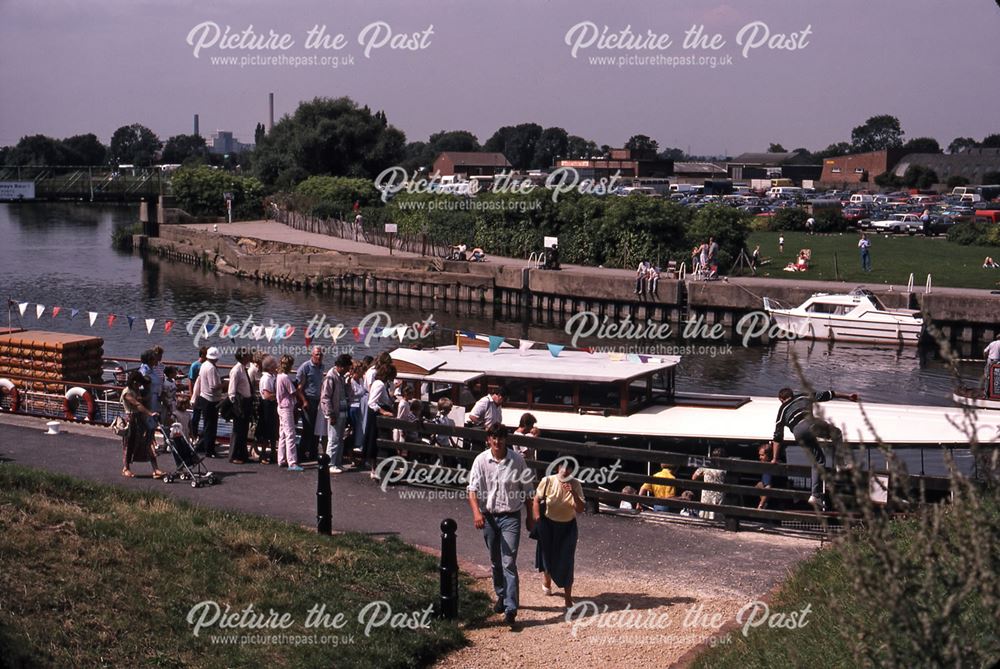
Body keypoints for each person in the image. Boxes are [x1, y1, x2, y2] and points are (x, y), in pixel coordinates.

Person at [467, 423, 536, 627]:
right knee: (495, 561)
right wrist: (476, 513)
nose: (497, 442)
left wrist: (530, 517)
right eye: (493, 438)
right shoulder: (481, 460)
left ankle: (511, 608)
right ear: (489, 439)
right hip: (489, 516)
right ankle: (501, 594)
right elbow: (472, 490)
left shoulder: (517, 460)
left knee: (508, 561)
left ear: (506, 439)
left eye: (500, 438)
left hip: (510, 516)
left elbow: (528, 490)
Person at [773, 387, 859, 509]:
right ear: (792, 395)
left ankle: (815, 495)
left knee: (818, 461)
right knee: (837, 433)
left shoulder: (781, 411)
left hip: (798, 432)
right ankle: (840, 464)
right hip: (810, 422)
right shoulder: (803, 396)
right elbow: (829, 394)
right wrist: (848, 396)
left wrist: (774, 458)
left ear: (781, 399)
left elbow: (777, 437)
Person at [533, 459, 585, 609]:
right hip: (548, 525)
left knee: (567, 561)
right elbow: (536, 500)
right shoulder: (547, 481)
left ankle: (568, 598)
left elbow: (580, 509)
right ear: (557, 467)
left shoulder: (576, 484)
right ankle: (547, 579)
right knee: (547, 557)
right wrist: (537, 519)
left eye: (569, 468)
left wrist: (573, 492)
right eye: (563, 467)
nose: (566, 471)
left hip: (568, 527)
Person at [120, 370, 165, 479]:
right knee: (129, 445)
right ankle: (126, 468)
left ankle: (155, 469)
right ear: (134, 382)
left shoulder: (136, 390)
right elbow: (137, 404)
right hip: (131, 420)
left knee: (148, 443)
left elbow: (141, 402)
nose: (139, 385)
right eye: (138, 383)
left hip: (140, 419)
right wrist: (150, 413)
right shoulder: (127, 392)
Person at [320, 353, 352, 474]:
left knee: (340, 439)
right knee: (333, 439)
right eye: (348, 367)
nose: (349, 370)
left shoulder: (342, 377)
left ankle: (338, 462)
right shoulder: (331, 377)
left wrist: (348, 384)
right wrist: (330, 413)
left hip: (342, 411)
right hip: (335, 413)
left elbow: (347, 394)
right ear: (342, 366)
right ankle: (330, 463)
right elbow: (326, 397)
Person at [363, 363, 397, 478]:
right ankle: (374, 469)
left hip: (379, 414)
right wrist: (383, 411)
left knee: (380, 442)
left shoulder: (384, 384)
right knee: (375, 440)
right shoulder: (379, 385)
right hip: (375, 416)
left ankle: (379, 468)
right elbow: (372, 403)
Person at [296, 346, 326, 463]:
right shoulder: (305, 367)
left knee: (316, 428)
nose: (319, 357)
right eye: (317, 354)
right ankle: (301, 453)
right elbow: (298, 388)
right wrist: (304, 401)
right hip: (308, 400)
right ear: (312, 355)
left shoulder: (321, 367)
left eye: (321, 355)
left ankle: (313, 453)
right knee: (307, 428)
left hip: (318, 400)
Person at [276, 354, 305, 472]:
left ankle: (281, 458)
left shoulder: (278, 376)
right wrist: (301, 385)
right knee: (290, 434)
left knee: (283, 433)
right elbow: (294, 392)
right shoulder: (285, 378)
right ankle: (292, 462)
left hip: (281, 406)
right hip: (286, 407)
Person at [194, 346, 223, 458]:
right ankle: (209, 450)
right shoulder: (211, 368)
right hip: (210, 399)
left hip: (204, 397)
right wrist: (224, 385)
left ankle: (205, 446)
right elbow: (213, 386)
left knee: (207, 424)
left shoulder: (204, 365)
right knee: (211, 425)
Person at [227, 348, 253, 464]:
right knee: (237, 430)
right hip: (240, 403)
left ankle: (242, 454)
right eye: (247, 355)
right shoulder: (236, 370)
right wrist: (235, 406)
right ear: (243, 357)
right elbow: (231, 390)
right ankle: (233, 455)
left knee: (243, 429)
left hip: (246, 402)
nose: (249, 356)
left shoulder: (243, 368)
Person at [255, 355, 279, 464]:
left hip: (272, 406)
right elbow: (266, 395)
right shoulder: (266, 379)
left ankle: (273, 452)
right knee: (266, 431)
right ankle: (263, 455)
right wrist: (278, 395)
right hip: (267, 406)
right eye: (274, 365)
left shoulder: (272, 376)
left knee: (273, 431)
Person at [691, 447, 726, 520]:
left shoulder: (705, 466)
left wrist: (703, 475)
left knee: (705, 510)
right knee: (717, 510)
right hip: (718, 492)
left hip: (707, 492)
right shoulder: (724, 467)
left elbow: (694, 477)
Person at [188, 346, 208, 439]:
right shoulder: (195, 365)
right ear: (202, 355)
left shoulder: (208, 365)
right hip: (198, 394)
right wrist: (192, 395)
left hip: (206, 394)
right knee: (196, 416)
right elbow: (191, 380)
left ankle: (204, 436)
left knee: (206, 417)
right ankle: (194, 435)